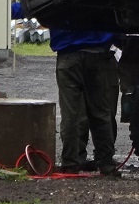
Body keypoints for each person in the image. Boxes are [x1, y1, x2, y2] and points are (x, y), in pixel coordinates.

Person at [50, 27, 121, 176]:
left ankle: (70, 163)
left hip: (67, 55)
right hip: (97, 55)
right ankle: (106, 163)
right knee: (100, 113)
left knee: (70, 114)